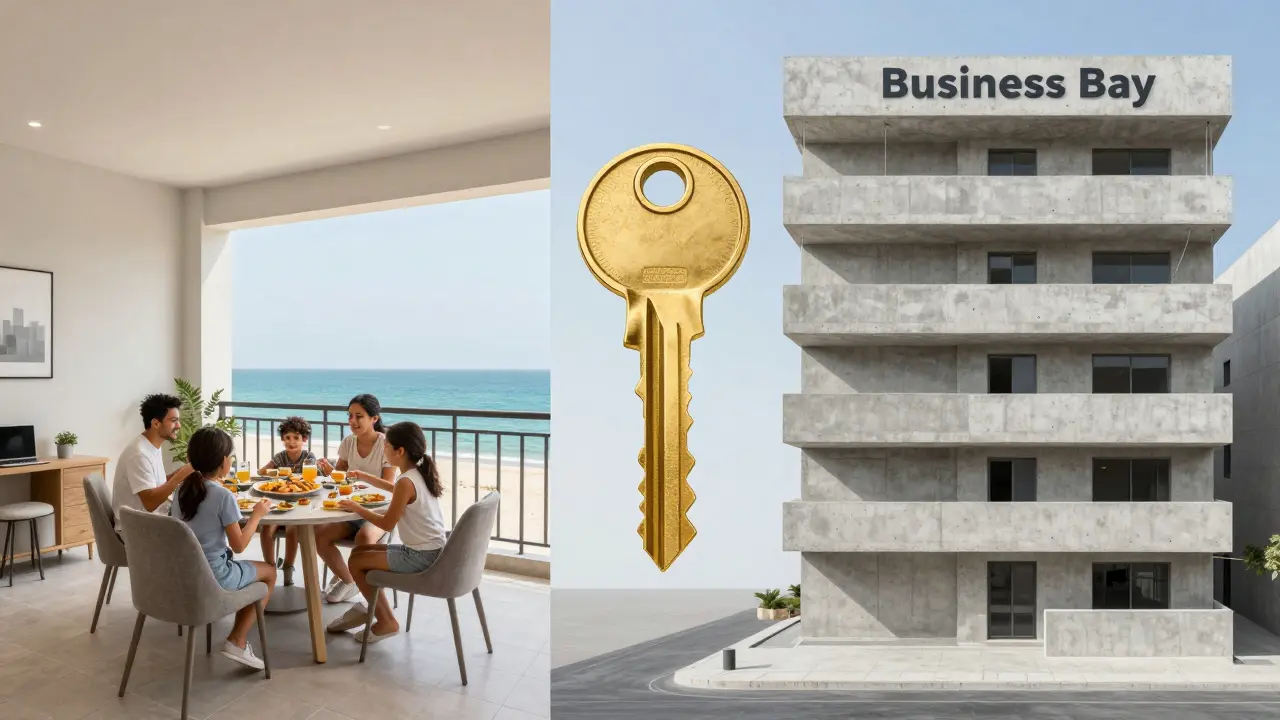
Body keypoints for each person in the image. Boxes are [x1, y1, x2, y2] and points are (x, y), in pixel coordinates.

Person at [326, 421, 445, 642]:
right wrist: (363, 476)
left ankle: (385, 620)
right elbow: (394, 489)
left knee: (356, 562)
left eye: (387, 446)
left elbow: (388, 524)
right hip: (432, 549)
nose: (384, 449)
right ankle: (371, 607)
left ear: (400, 451)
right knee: (360, 555)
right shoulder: (416, 474)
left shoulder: (406, 481)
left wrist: (356, 508)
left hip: (420, 556)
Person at [172, 426, 277, 670]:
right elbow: (239, 546)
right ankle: (237, 640)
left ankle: (237, 635)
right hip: (215, 577)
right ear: (223, 462)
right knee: (269, 572)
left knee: (251, 571)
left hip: (185, 575)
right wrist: (257, 515)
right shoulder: (222, 496)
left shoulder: (181, 490)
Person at [314, 394, 398, 603]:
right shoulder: (348, 443)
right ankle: (349, 580)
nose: (352, 421)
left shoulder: (387, 445)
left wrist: (361, 477)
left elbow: (390, 488)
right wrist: (328, 470)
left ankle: (370, 597)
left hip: (379, 512)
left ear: (374, 419)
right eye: (350, 416)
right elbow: (339, 479)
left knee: (364, 538)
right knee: (320, 535)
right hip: (351, 509)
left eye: (359, 416)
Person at [111, 394, 194, 524]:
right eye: (173, 420)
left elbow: (156, 485)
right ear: (156, 423)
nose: (179, 426)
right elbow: (150, 503)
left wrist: (188, 469)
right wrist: (180, 476)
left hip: (149, 521)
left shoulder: (151, 446)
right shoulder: (139, 454)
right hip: (138, 529)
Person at [255, 416, 316, 571]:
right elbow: (261, 471)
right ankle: (270, 567)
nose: (291, 442)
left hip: (299, 505)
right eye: (287, 438)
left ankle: (288, 566)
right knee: (266, 529)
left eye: (296, 438)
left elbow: (314, 480)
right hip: (277, 505)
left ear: (304, 439)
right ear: (282, 439)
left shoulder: (309, 458)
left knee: (292, 529)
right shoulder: (280, 457)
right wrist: (275, 471)